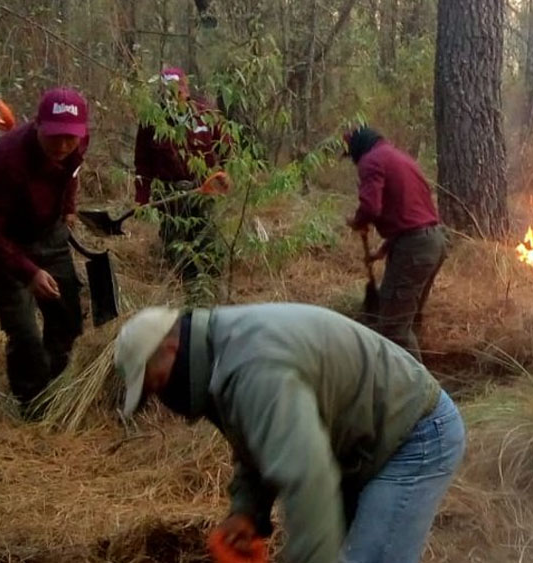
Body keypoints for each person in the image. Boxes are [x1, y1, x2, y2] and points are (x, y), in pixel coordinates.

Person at [114, 303, 465, 563]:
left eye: (153, 383)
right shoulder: (219, 352)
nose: (159, 397)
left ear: (171, 349)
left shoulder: (252, 369)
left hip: (414, 434)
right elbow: (260, 442)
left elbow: (307, 479)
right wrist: (246, 512)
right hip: (360, 442)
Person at [0, 88, 89, 419]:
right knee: (25, 334)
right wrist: (28, 271)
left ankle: (61, 394)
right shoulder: (5, 159)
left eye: (70, 137)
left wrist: (68, 208)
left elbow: (72, 172)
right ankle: (34, 408)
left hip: (49, 234)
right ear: (38, 126)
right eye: (55, 137)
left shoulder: (78, 141)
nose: (63, 146)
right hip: (3, 242)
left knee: (67, 320)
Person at [344, 126, 447, 361]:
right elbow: (412, 214)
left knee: (393, 327)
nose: (353, 162)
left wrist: (358, 221)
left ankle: (419, 391)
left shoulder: (370, 161)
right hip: (434, 242)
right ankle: (412, 375)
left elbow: (370, 207)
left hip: (415, 248)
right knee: (409, 319)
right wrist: (384, 249)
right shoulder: (398, 157)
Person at [134, 66, 229, 284]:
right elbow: (142, 163)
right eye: (168, 91)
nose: (173, 95)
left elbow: (226, 145)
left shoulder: (204, 114)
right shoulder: (152, 121)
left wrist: (223, 172)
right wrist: (141, 198)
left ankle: (212, 288)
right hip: (169, 194)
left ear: (186, 89)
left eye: (178, 89)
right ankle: (187, 288)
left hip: (202, 189)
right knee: (176, 250)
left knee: (208, 244)